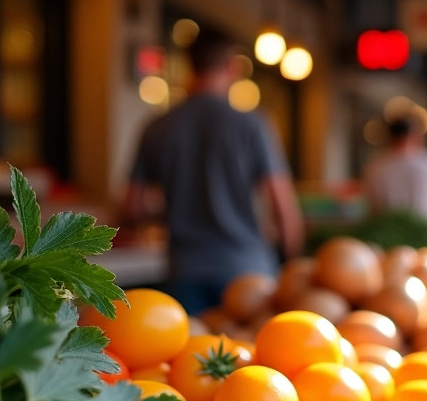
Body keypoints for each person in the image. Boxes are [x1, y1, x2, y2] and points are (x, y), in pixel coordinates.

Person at [124, 27, 304, 314]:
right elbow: (283, 206)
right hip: (248, 271)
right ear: (232, 67)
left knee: (191, 356)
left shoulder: (158, 127)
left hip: (185, 269)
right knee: (253, 356)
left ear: (190, 64)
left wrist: (177, 207)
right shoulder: (252, 125)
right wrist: (291, 264)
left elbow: (132, 208)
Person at [362, 108, 427, 220]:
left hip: (387, 233)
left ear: (391, 138)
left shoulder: (375, 167)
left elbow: (370, 207)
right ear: (417, 136)